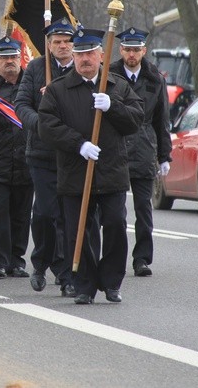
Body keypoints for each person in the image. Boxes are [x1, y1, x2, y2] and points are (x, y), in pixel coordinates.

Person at [38, 28, 143, 304]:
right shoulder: (59, 90)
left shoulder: (116, 86)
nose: (85, 59)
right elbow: (46, 126)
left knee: (115, 225)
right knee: (79, 230)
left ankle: (111, 282)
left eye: (90, 53)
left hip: (111, 171)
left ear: (101, 55)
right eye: (80, 53)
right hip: (76, 171)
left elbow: (136, 121)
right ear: (73, 56)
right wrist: (78, 144)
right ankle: (84, 284)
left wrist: (114, 106)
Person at [15, 17, 77, 296]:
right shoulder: (37, 68)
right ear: (49, 45)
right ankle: (40, 262)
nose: (62, 46)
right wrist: (40, 124)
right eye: (57, 42)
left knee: (66, 215)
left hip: (72, 152)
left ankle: (65, 274)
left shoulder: (81, 69)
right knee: (44, 213)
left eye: (67, 41)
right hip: (41, 152)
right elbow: (21, 104)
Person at [110, 27, 172, 277]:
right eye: (127, 49)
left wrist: (164, 155)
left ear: (144, 51)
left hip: (144, 147)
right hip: (115, 146)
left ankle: (142, 259)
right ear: (121, 50)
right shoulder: (109, 75)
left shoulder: (155, 78)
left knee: (144, 209)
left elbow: (161, 120)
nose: (132, 54)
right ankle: (115, 257)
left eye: (136, 50)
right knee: (115, 211)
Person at [0, 38, 33, 279]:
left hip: (26, 159)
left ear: (20, 58)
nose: (9, 62)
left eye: (13, 57)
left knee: (22, 215)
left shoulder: (31, 83)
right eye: (4, 58)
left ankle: (17, 260)